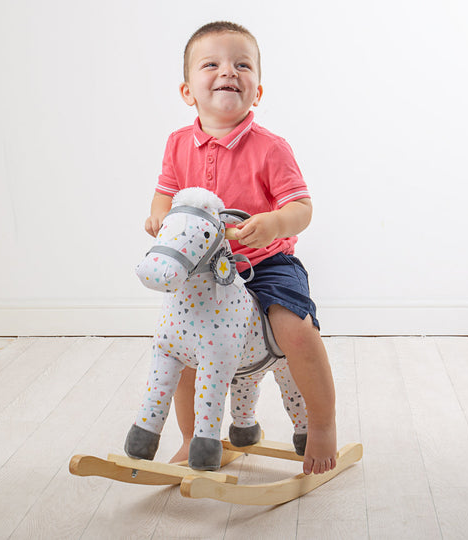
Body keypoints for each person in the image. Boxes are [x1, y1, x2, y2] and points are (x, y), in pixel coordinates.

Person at [144, 21, 336, 475]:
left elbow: (302, 208)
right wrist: (158, 215)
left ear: (258, 90)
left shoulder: (271, 148)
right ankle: (192, 438)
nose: (228, 71)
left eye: (241, 65)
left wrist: (273, 224)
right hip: (204, 272)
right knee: (184, 346)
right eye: (211, 64)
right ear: (188, 90)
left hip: (267, 263)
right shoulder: (177, 144)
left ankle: (323, 425)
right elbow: (165, 192)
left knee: (295, 329)